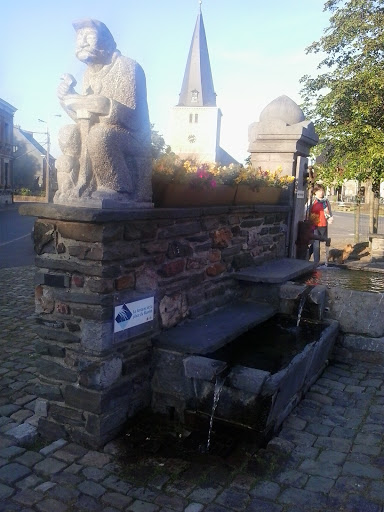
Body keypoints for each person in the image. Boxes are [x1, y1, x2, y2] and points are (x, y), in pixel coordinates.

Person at [54, 19, 152, 205]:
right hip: (102, 132)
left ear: (107, 43)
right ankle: (73, 185)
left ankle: (118, 187)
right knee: (68, 132)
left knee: (100, 134)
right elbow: (84, 119)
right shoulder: (88, 74)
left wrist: (107, 105)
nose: (82, 42)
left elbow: (133, 118)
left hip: (134, 137)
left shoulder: (128, 67)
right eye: (79, 37)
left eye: (89, 36)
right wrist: (67, 99)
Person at [308, 184, 333, 263]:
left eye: (322, 191)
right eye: (319, 191)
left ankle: (307, 256)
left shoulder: (325, 201)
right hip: (314, 225)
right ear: (315, 192)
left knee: (319, 241)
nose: (321, 193)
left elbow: (329, 211)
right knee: (316, 244)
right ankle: (316, 262)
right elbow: (306, 210)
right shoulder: (312, 200)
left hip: (323, 224)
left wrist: (330, 218)